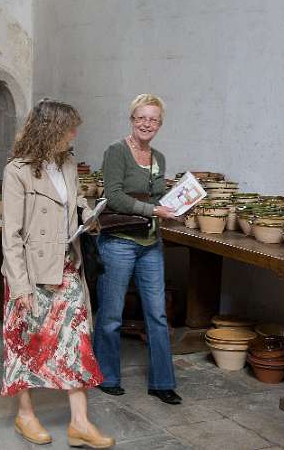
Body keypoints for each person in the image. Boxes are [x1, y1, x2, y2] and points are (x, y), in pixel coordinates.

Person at [0, 99, 115, 448]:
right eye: (70, 127)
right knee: (24, 342)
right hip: (31, 273)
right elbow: (12, 234)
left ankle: (80, 422)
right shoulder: (17, 170)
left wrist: (88, 215)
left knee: (76, 341)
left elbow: (76, 200)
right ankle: (25, 415)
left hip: (66, 265)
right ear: (50, 129)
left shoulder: (66, 163)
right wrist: (20, 286)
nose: (74, 134)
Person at [93, 94, 182, 405]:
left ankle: (162, 382)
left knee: (157, 315)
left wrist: (179, 202)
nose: (147, 124)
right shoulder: (116, 152)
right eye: (141, 118)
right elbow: (114, 198)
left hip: (150, 244)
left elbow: (157, 197)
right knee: (112, 314)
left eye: (153, 119)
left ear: (160, 124)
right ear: (132, 119)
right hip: (119, 242)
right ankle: (106, 375)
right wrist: (155, 211)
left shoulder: (158, 157)